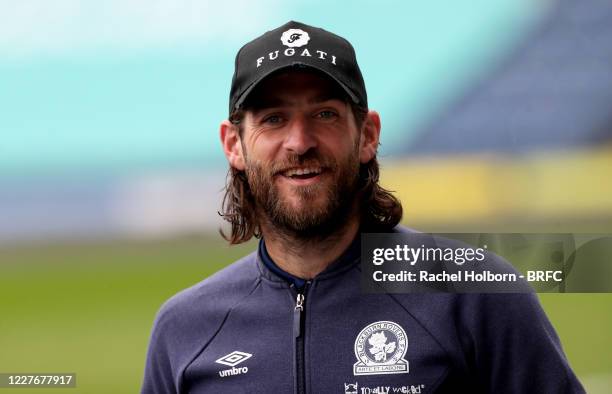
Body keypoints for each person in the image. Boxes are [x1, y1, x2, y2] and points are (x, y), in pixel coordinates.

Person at [141, 21, 584, 393]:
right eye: (273, 119)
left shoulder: (476, 295)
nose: (300, 142)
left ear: (367, 135)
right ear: (234, 145)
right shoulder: (185, 329)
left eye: (325, 114)